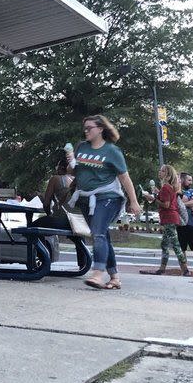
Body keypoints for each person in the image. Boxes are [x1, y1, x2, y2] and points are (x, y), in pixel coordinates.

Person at [66, 114, 141, 290]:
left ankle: (98, 273)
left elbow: (124, 177)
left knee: (98, 233)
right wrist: (71, 162)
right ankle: (114, 277)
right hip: (85, 198)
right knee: (103, 235)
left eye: (89, 128)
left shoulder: (112, 151)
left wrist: (134, 201)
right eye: (84, 128)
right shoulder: (81, 147)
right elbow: (73, 171)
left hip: (108, 197)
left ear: (100, 129)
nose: (86, 131)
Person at [143, 165, 190, 276]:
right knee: (164, 245)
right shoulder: (168, 187)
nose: (160, 172)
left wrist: (153, 199)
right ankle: (162, 268)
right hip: (170, 218)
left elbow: (166, 204)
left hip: (169, 218)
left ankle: (185, 269)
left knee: (175, 245)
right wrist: (157, 193)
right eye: (160, 170)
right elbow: (167, 199)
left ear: (168, 175)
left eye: (163, 171)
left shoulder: (166, 187)